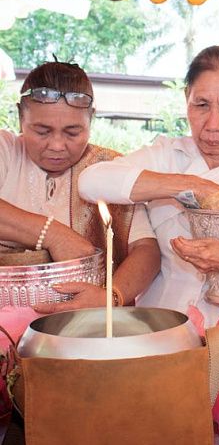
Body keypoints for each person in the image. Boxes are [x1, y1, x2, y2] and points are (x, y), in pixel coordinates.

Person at [79, 45, 219, 325]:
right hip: (165, 325)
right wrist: (187, 185)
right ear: (186, 98)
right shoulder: (165, 157)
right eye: (201, 105)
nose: (213, 124)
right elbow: (90, 181)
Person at [0, 61, 160, 312]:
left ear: (91, 120)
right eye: (42, 131)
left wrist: (111, 296)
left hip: (85, 331)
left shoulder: (108, 168)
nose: (56, 145)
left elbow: (146, 250)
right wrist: (53, 234)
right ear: (20, 117)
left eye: (72, 132)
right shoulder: (6, 151)